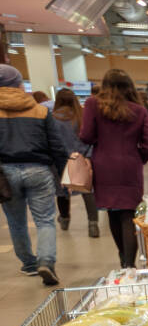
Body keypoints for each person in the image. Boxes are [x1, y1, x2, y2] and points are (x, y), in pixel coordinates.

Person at [79, 69, 148, 268]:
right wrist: (139, 158)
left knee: (112, 212)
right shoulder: (139, 110)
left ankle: (123, 261)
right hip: (130, 166)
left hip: (103, 165)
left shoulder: (93, 104)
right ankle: (130, 265)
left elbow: (86, 136)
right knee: (129, 214)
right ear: (129, 86)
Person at [0, 64, 68, 285]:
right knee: (45, 220)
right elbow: (56, 146)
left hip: (6, 173)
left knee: (16, 221)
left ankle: (29, 264)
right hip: (38, 170)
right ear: (19, 85)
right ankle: (46, 261)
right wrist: (63, 173)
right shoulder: (40, 110)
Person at [50, 88, 100, 238]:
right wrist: (88, 156)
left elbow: (50, 141)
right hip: (81, 157)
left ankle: (65, 219)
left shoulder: (52, 118)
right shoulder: (83, 116)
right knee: (87, 190)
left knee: (62, 192)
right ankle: (93, 224)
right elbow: (92, 138)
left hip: (60, 161)